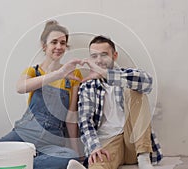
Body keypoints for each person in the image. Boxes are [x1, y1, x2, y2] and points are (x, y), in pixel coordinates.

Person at [0, 20, 83, 169]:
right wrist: (58, 74)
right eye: (54, 42)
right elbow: (20, 87)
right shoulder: (33, 71)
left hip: (52, 140)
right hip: (25, 134)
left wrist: (76, 151)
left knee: (70, 157)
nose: (59, 47)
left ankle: (22, 163)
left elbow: (70, 117)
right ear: (44, 46)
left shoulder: (74, 74)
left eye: (63, 43)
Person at [67, 36, 162, 169]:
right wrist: (94, 147)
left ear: (114, 56)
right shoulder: (87, 86)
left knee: (135, 90)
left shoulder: (126, 76)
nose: (99, 60)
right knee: (99, 159)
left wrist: (102, 72)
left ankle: (144, 160)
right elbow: (85, 121)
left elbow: (147, 83)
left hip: (134, 142)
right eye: (94, 56)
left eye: (104, 55)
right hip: (109, 141)